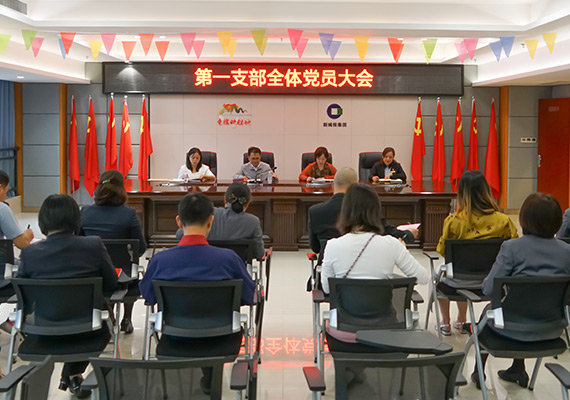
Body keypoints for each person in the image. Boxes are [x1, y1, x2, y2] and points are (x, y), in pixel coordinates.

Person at [139, 193, 255, 395]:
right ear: (211, 221)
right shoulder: (228, 259)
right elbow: (249, 295)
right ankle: (209, 375)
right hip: (223, 338)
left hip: (175, 338)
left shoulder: (161, 260)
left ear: (178, 221)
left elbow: (148, 296)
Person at [17, 194, 118, 399]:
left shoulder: (29, 254)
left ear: (42, 221)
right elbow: (111, 284)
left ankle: (71, 373)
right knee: (103, 319)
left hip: (42, 332)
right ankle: (73, 372)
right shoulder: (93, 245)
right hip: (89, 332)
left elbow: (23, 298)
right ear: (75, 219)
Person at [471, 193, 570, 389]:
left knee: (489, 313)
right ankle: (517, 368)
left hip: (510, 327)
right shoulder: (567, 252)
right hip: (552, 328)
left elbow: (490, 289)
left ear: (525, 218)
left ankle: (478, 372)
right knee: (528, 304)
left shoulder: (512, 248)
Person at [436, 170, 518, 336]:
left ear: (461, 194)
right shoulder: (504, 221)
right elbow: (514, 247)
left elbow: (443, 250)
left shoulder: (453, 221)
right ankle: (461, 320)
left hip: (457, 283)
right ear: (486, 191)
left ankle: (445, 322)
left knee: (439, 273)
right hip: (492, 282)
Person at [320, 183, 429, 294]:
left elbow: (327, 289)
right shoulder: (392, 244)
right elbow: (423, 278)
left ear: (345, 211)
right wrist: (402, 250)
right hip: (383, 305)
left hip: (344, 305)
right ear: (376, 211)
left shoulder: (332, 246)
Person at [79, 169, 147, 334]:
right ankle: (127, 318)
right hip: (123, 277)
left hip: (92, 274)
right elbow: (141, 248)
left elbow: (78, 244)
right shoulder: (129, 214)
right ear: (121, 189)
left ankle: (108, 313)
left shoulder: (85, 212)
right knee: (129, 269)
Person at [308, 168, 418, 257]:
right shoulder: (365, 210)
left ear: (332, 185)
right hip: (359, 271)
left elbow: (316, 248)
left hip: (326, 272)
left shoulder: (315, 211)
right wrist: (408, 234)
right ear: (355, 187)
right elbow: (390, 233)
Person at [175, 183, 264, 259]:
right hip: (235, 270)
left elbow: (180, 234)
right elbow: (259, 254)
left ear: (225, 200)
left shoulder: (209, 214)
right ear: (247, 204)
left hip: (205, 266)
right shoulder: (253, 222)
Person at [0, 170, 33, 249]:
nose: (5, 197)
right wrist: (28, 234)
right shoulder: (2, 209)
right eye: (6, 192)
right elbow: (22, 243)